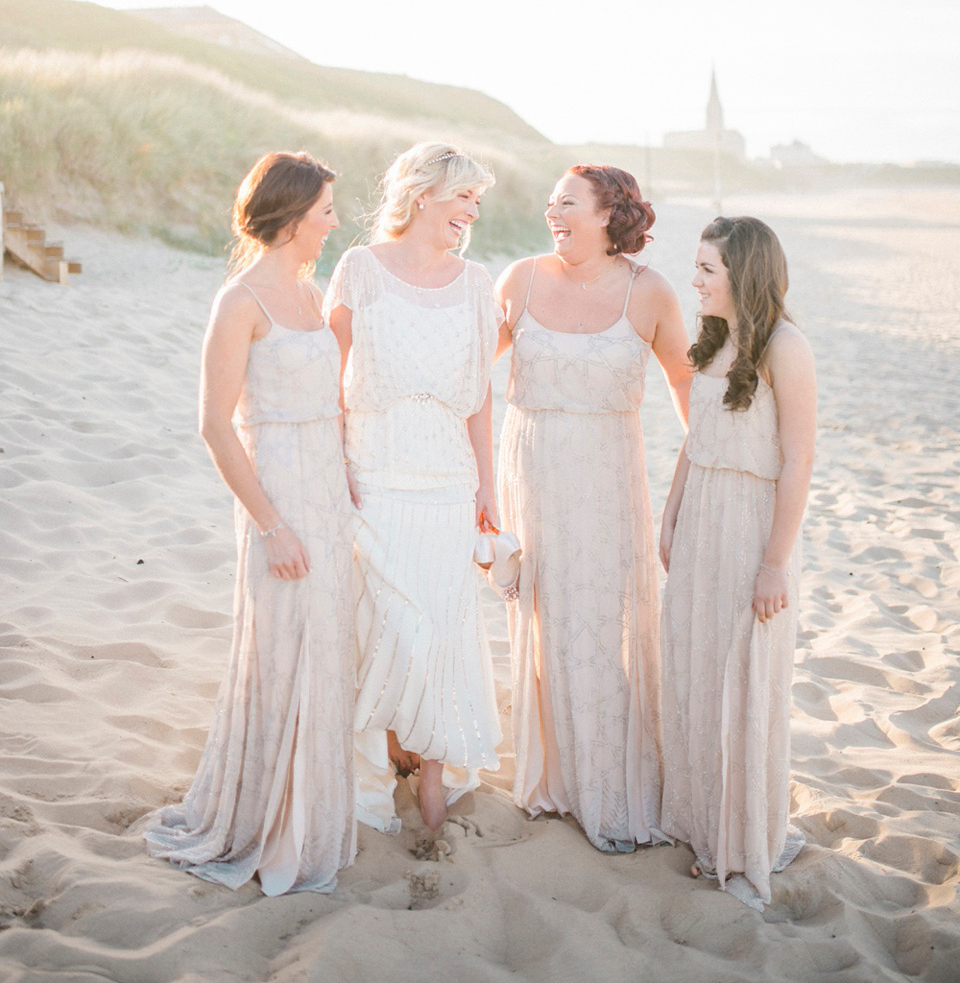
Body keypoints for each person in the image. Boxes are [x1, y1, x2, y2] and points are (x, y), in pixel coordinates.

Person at [145, 152, 357, 894]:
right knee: (280, 656)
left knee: (327, 651)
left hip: (329, 494)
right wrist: (272, 525)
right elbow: (214, 425)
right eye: (327, 211)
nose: (334, 223)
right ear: (293, 216)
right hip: (280, 501)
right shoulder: (241, 302)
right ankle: (261, 822)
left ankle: (309, 814)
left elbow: (334, 402)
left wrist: (349, 476)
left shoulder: (312, 289)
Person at [496, 165, 691, 851]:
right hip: (532, 473)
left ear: (609, 214)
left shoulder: (651, 292)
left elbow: (688, 388)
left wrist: (706, 481)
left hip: (610, 478)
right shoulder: (519, 280)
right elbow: (463, 375)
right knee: (546, 621)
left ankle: (608, 777)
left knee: (600, 622)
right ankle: (555, 779)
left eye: (568, 203)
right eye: (550, 202)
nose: (554, 213)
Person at [326, 142, 502, 834]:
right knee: (387, 629)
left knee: (445, 632)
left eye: (477, 203)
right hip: (375, 475)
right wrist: (335, 462)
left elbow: (482, 399)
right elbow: (329, 378)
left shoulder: (476, 282)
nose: (471, 213)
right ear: (423, 193)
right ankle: (377, 765)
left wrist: (488, 488)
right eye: (463, 197)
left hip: (448, 481)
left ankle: (431, 777)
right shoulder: (360, 270)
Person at [659, 215, 817, 910]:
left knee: (743, 683)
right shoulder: (713, 341)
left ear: (741, 274)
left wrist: (775, 564)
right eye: (694, 268)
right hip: (700, 523)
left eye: (706, 270)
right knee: (697, 674)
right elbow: (696, 441)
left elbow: (800, 459)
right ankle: (709, 832)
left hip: (753, 529)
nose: (693, 280)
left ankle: (745, 843)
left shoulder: (786, 345)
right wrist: (670, 517)